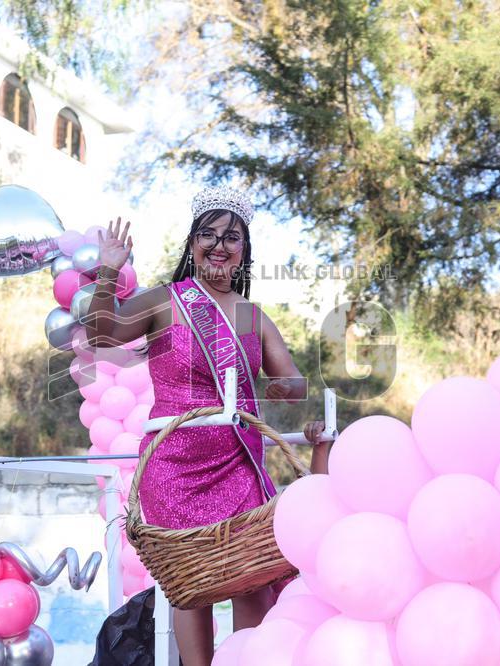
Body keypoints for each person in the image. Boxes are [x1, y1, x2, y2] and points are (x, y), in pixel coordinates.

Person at [84, 186, 329, 666]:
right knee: (190, 587)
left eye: (231, 237)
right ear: (192, 244)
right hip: (174, 466)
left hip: (237, 462)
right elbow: (100, 334)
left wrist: (285, 389)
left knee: (252, 581)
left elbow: (293, 381)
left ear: (244, 252)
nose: (219, 245)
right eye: (208, 234)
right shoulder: (162, 301)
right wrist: (110, 267)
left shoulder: (254, 317)